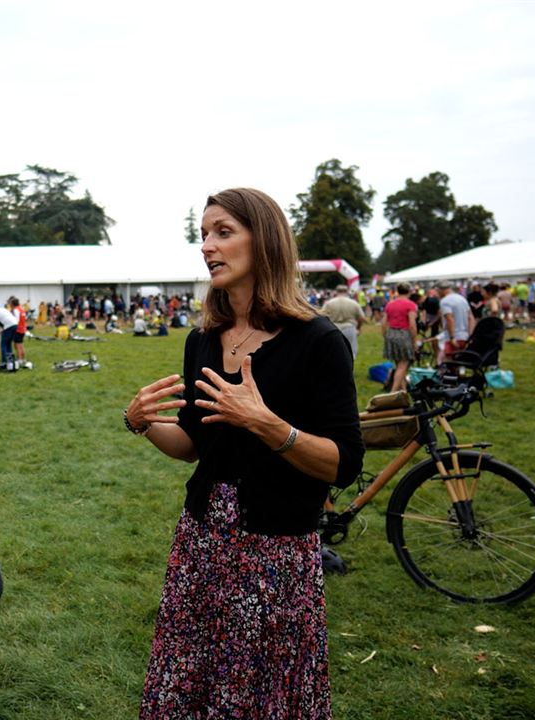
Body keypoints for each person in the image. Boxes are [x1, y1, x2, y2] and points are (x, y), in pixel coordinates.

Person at [125, 188, 363, 719]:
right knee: (190, 681)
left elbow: (345, 463)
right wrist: (139, 422)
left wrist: (269, 425)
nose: (208, 245)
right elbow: (192, 445)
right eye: (204, 234)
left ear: (266, 242)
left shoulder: (317, 341)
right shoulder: (204, 341)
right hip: (201, 544)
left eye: (223, 232)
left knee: (260, 694)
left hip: (274, 557)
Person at [382, 282, 419, 393]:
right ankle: (393, 393)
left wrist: (385, 336)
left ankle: (403, 391)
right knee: (403, 365)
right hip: (403, 334)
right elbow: (412, 325)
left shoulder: (390, 304)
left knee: (399, 365)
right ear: (410, 291)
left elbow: (384, 322)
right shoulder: (410, 305)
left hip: (391, 333)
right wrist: (414, 341)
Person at [320, 284, 366, 359]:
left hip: (333, 328)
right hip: (349, 328)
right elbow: (362, 317)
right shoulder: (353, 303)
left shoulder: (329, 303)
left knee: (333, 352)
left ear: (336, 291)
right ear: (347, 291)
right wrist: (358, 327)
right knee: (351, 351)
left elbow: (322, 315)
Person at [436, 281, 473, 364]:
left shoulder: (444, 301)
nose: (437, 293)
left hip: (453, 337)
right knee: (459, 362)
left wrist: (452, 337)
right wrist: (470, 336)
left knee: (447, 361)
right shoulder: (462, 299)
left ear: (442, 290)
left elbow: (449, 319)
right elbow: (471, 318)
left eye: (437, 291)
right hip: (465, 336)